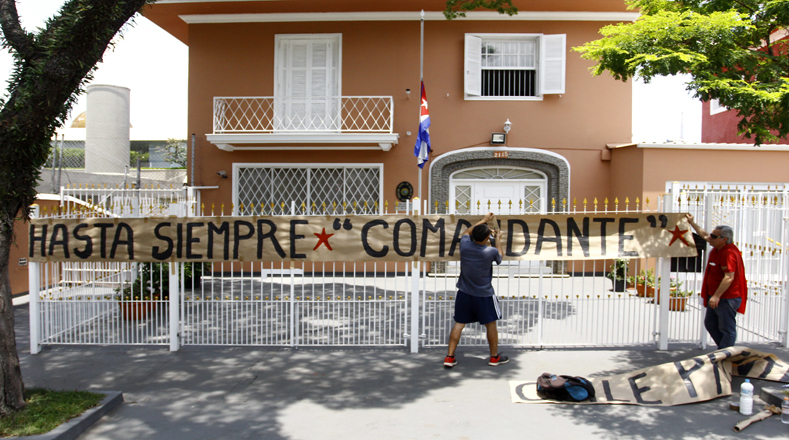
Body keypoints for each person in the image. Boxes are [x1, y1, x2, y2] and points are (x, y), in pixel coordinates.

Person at [444, 212, 508, 368]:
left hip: (464, 293)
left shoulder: (465, 245)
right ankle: (494, 358)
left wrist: (484, 221)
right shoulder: (490, 251)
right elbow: (500, 256)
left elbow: (466, 232)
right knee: (491, 325)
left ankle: (449, 357)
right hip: (484, 295)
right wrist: (497, 240)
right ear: (487, 238)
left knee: (459, 324)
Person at [685, 214, 747, 349]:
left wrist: (717, 296)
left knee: (727, 328)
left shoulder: (728, 253)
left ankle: (726, 355)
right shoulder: (719, 247)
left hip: (726, 298)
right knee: (710, 324)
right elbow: (704, 235)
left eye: (714, 236)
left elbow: (729, 277)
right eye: (712, 235)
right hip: (716, 296)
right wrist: (692, 223)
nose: (710, 238)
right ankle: (725, 350)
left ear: (724, 239)